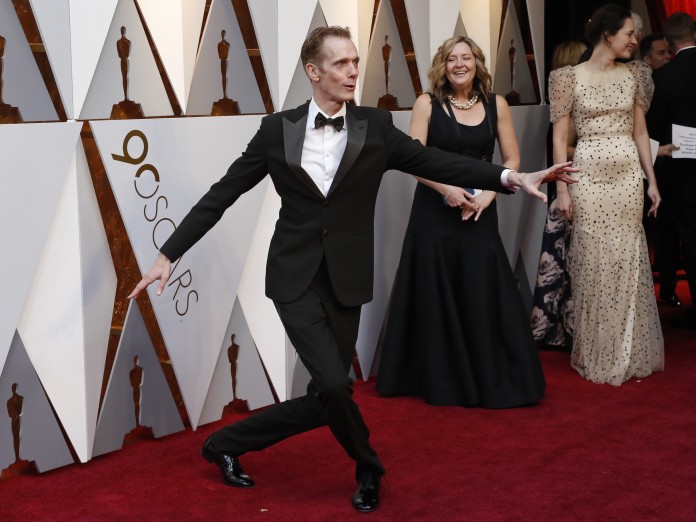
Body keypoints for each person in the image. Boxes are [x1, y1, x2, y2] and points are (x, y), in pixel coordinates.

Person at [127, 26, 578, 513]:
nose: (352, 72)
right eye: (341, 63)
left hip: (346, 278)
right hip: (294, 278)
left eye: (355, 62)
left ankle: (225, 444)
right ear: (313, 71)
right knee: (336, 386)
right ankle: (369, 469)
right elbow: (223, 194)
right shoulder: (277, 131)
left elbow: (434, 161)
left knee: (327, 395)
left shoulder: (375, 126)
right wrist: (167, 254)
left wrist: (509, 177)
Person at [376, 36, 544, 408]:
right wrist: (447, 191)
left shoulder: (497, 104)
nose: (459, 65)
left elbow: (512, 159)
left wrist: (489, 193)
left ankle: (486, 376)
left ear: (477, 62)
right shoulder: (427, 103)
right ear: (442, 65)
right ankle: (441, 379)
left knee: (480, 286)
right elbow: (411, 157)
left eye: (466, 58)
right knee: (436, 289)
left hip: (481, 208)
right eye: (451, 59)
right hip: (435, 211)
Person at [551, 4, 664, 385]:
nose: (635, 40)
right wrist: (562, 188)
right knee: (593, 259)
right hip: (587, 176)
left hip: (628, 176)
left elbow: (640, 133)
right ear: (607, 34)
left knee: (628, 258)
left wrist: (651, 181)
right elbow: (559, 139)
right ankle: (598, 349)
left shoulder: (635, 74)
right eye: (629, 33)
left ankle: (627, 349)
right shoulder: (568, 77)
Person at [648, 12, 696, 331]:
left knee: (694, 237)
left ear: (669, 43)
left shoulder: (663, 78)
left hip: (683, 169)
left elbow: (654, 129)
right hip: (689, 167)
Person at [531, 40, 586, 350]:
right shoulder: (571, 103)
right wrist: (597, 147)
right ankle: (568, 329)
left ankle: (560, 328)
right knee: (568, 263)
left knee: (563, 263)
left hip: (568, 186)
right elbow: (562, 146)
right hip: (572, 187)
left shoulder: (564, 102)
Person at [640, 33, 681, 307]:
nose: (668, 57)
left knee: (668, 229)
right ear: (646, 59)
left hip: (668, 168)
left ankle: (667, 284)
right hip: (640, 169)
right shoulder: (641, 88)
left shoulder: (671, 82)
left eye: (669, 52)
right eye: (661, 53)